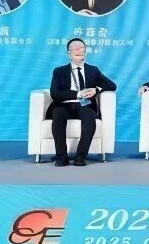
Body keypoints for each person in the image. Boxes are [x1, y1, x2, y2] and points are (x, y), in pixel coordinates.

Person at [47, 37, 117, 166]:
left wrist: (96, 90)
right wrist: (78, 93)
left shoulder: (93, 70)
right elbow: (55, 93)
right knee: (58, 113)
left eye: (83, 49)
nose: (80, 51)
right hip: (64, 104)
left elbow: (112, 85)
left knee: (89, 116)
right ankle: (61, 156)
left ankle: (81, 156)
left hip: (84, 104)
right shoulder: (59, 71)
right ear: (69, 53)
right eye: (76, 48)